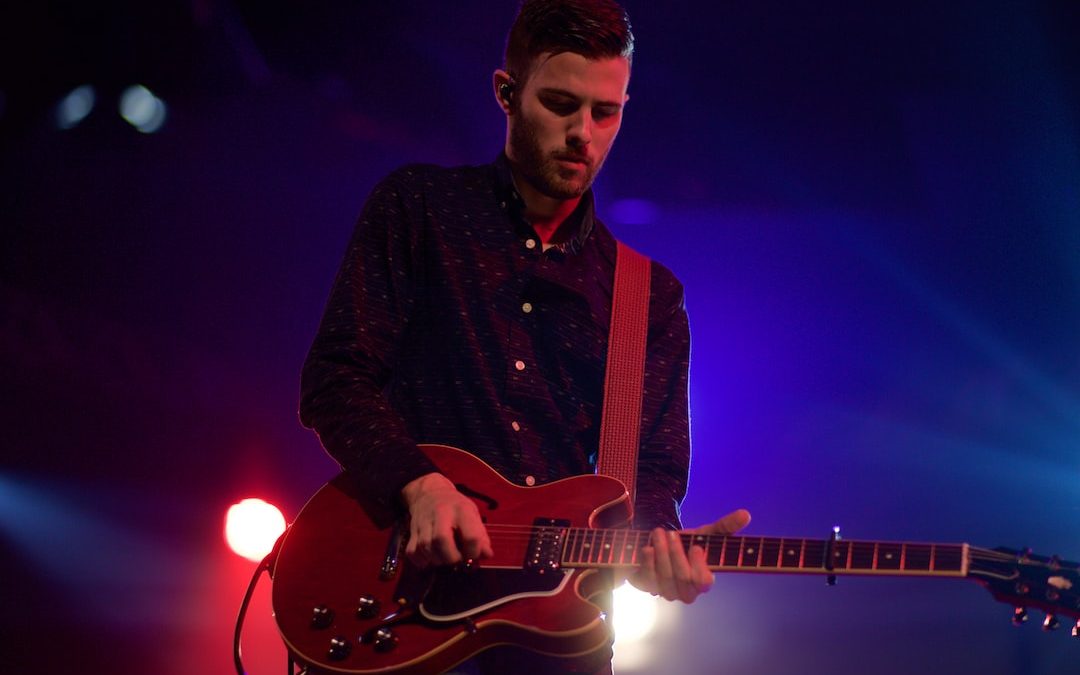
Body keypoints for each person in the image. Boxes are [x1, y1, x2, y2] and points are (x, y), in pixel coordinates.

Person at [299, 0, 750, 672]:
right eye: (561, 104)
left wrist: (659, 548)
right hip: (398, 602)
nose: (583, 134)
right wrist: (420, 484)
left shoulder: (648, 295)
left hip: (556, 641)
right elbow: (336, 378)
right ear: (507, 94)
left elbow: (651, 478)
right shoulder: (419, 210)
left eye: (607, 112)